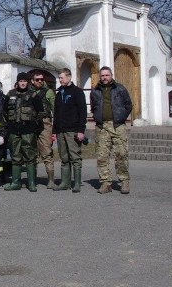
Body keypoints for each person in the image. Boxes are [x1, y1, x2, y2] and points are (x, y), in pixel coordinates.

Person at [90, 66, 133, 194]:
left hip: (118, 126)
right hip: (102, 127)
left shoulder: (120, 89)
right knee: (102, 156)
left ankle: (124, 181)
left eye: (107, 75)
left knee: (121, 154)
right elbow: (93, 106)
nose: (104, 78)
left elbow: (128, 105)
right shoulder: (95, 91)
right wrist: (98, 116)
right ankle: (105, 183)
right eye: (102, 75)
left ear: (111, 75)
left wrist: (121, 117)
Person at [4, 72, 42, 192]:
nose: (23, 83)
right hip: (14, 131)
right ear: (18, 82)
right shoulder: (10, 94)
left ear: (28, 82)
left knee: (30, 157)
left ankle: (31, 183)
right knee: (15, 157)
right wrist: (8, 126)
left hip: (28, 130)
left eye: (25, 81)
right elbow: (4, 111)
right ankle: (16, 182)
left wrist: (34, 124)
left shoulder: (33, 94)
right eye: (21, 81)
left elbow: (41, 111)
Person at [52, 68, 87, 192]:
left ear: (69, 77)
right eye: (59, 78)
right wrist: (54, 131)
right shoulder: (59, 92)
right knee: (64, 157)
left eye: (62, 77)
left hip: (73, 130)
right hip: (60, 130)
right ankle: (65, 183)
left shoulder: (77, 92)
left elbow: (83, 112)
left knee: (75, 157)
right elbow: (56, 113)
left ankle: (76, 183)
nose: (60, 80)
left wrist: (81, 130)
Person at [31, 71, 56, 187]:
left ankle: (51, 180)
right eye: (37, 79)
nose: (40, 81)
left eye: (41, 79)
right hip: (31, 124)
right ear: (32, 81)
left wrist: (55, 129)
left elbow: (55, 109)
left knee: (46, 152)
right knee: (32, 153)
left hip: (45, 123)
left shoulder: (49, 92)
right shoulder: (29, 92)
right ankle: (32, 179)